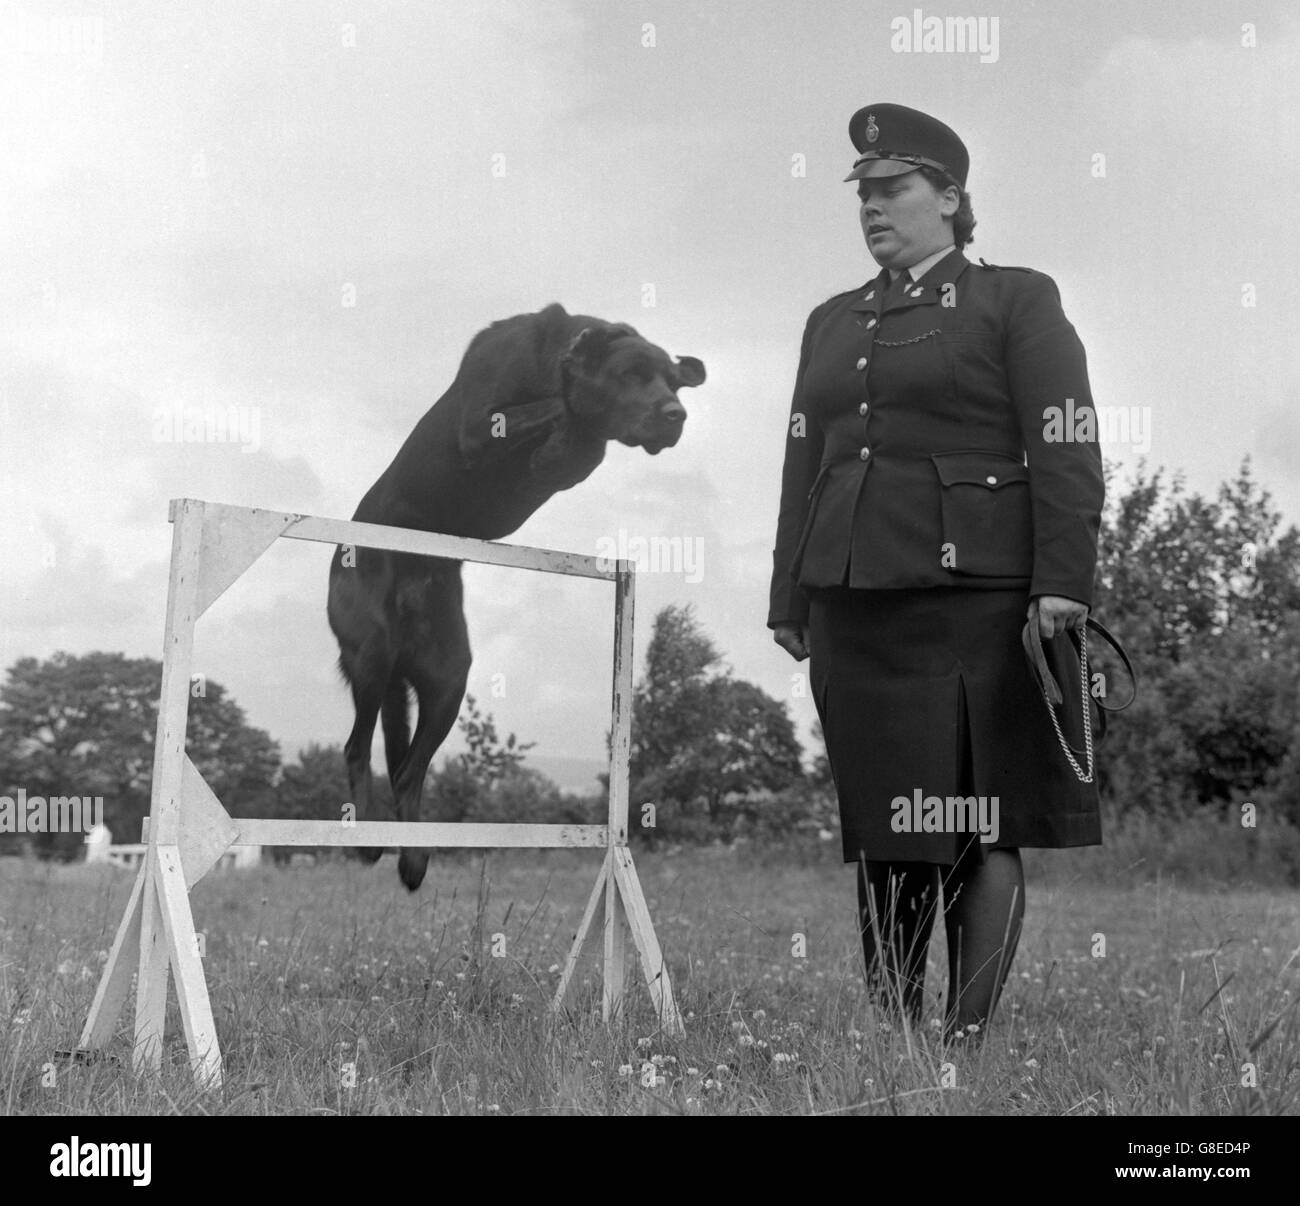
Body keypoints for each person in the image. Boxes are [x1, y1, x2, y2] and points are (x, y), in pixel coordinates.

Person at [768, 103, 1104, 1042]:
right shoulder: (830, 321)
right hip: (852, 603)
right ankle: (891, 1035)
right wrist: (787, 594)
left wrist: (1063, 581)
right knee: (886, 827)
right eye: (862, 194)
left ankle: (962, 1045)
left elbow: (1067, 446)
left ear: (951, 198)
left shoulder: (1017, 299)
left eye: (893, 188)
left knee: (978, 822)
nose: (872, 206)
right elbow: (806, 461)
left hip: (980, 602)